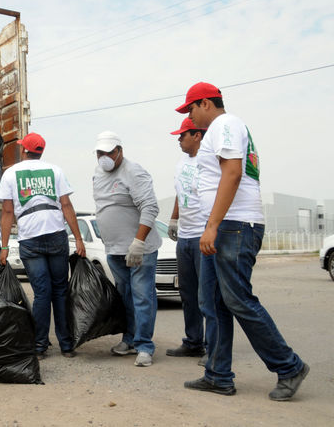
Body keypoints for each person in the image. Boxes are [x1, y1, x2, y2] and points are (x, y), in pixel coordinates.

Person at [177, 82, 308, 400]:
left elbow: (232, 173)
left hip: (234, 226)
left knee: (238, 300)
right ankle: (218, 375)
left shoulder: (225, 123)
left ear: (205, 103)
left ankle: (289, 366)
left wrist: (212, 225)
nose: (190, 117)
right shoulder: (221, 129)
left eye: (191, 109)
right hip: (224, 226)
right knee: (213, 303)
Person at [0, 132, 85, 360]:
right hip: (56, 235)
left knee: (42, 292)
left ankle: (39, 346)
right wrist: (78, 238)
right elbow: (66, 205)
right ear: (41, 152)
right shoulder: (55, 170)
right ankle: (66, 345)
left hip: (30, 238)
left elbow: (7, 211)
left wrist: (4, 247)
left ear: (23, 150)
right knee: (60, 290)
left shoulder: (11, 173)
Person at [91, 131, 160, 368]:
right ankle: (129, 339)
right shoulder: (98, 174)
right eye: (100, 153)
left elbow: (150, 207)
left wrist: (138, 243)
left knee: (142, 297)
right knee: (125, 297)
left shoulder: (134, 172)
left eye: (109, 152)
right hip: (115, 250)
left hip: (139, 249)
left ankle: (144, 346)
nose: (104, 157)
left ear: (120, 151)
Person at [166, 118, 209, 364]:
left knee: (207, 294)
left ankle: (213, 347)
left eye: (183, 135)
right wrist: (174, 219)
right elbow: (179, 192)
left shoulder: (209, 161)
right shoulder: (181, 163)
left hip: (203, 235)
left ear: (197, 135)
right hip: (185, 236)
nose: (179, 139)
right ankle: (193, 342)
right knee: (187, 292)